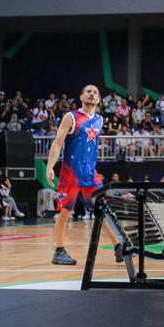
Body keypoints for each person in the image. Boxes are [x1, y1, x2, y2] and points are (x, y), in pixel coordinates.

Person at [44, 84, 120, 266]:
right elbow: (57, 143)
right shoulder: (71, 117)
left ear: (99, 99)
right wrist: (50, 166)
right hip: (70, 174)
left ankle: (118, 246)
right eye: (88, 91)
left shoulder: (100, 120)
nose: (92, 94)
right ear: (81, 96)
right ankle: (59, 251)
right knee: (65, 212)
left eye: (95, 92)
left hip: (90, 175)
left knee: (103, 210)